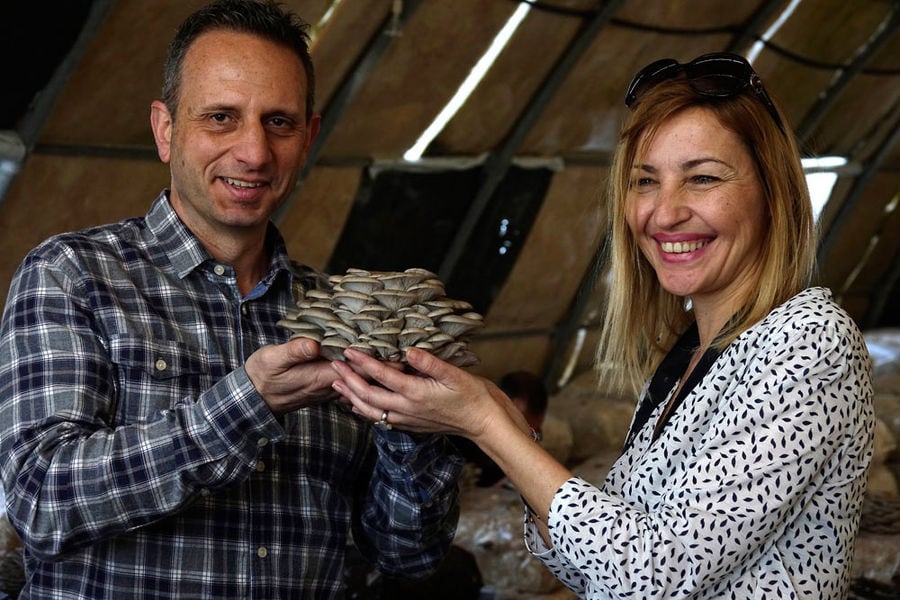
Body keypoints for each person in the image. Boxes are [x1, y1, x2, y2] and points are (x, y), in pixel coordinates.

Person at [329, 52, 875, 599]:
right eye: (645, 181)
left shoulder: (808, 341)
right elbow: (588, 561)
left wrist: (484, 425)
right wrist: (498, 418)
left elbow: (653, 577)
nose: (663, 213)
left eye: (702, 178)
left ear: (772, 191)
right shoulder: (690, 358)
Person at [0, 1, 462, 598]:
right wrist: (249, 405)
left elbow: (409, 553)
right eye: (221, 117)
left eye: (280, 122)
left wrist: (412, 426)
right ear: (166, 130)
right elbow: (40, 502)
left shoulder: (344, 314)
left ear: (309, 137)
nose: (254, 152)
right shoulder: (73, 276)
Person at [452, 371, 548, 487]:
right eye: (514, 425)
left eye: (532, 433)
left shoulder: (528, 447)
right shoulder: (458, 438)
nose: (524, 441)